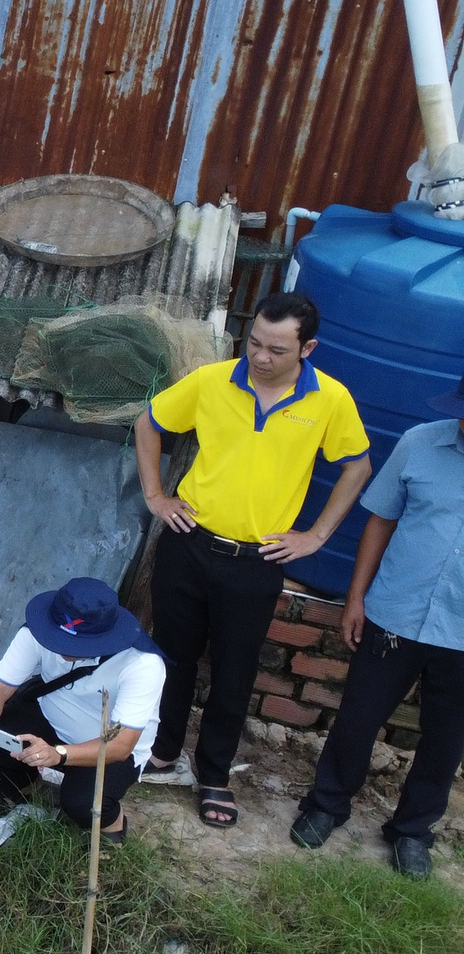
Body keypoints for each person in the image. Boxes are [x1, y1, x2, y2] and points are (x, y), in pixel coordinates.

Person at [133, 291, 371, 829]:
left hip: (255, 562)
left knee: (235, 672)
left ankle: (214, 773)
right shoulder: (214, 381)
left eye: (277, 350)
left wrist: (315, 535)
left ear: (307, 348)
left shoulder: (330, 401)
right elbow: (150, 424)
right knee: (170, 657)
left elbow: (357, 466)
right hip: (189, 544)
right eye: (255, 343)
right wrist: (156, 496)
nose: (260, 358)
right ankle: (163, 752)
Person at [292, 375, 464, 878]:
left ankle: (413, 831)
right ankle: (326, 804)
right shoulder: (420, 443)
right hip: (394, 615)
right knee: (358, 718)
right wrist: (355, 599)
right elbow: (381, 520)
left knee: (445, 740)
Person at [0, 578, 164, 842]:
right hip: (50, 715)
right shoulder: (38, 631)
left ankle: (112, 824)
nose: (63, 650)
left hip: (107, 746)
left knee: (81, 804)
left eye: (78, 646)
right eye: (57, 639)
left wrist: (58, 754)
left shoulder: (143, 664)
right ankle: (21, 787)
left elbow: (121, 744)